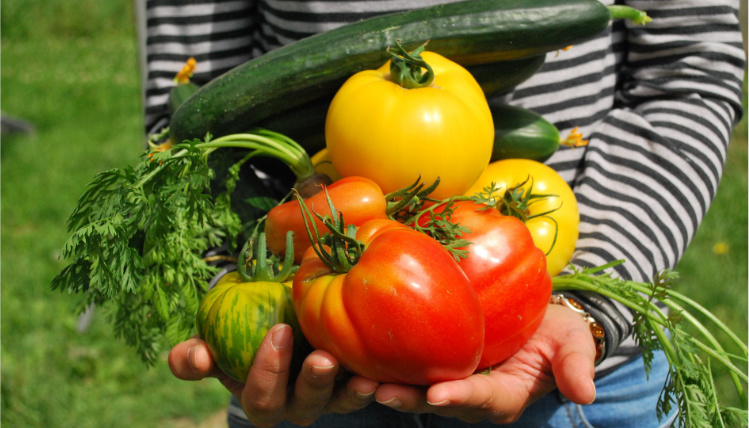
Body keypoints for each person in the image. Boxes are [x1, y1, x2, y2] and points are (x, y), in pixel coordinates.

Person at [138, 0, 746, 426]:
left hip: (577, 373)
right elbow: (191, 129)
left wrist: (592, 304)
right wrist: (236, 291)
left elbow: (690, 75)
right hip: (307, 357)